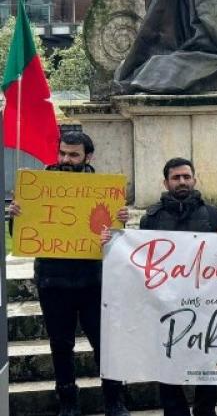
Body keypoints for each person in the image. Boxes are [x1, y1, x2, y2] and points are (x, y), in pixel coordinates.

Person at [102, 158, 217, 416]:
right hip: (165, 305)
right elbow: (141, 257)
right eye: (176, 178)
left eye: (186, 176)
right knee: (166, 363)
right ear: (166, 182)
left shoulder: (212, 214)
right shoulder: (152, 218)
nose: (182, 182)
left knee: (207, 365)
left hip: (205, 305)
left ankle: (205, 412)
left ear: (195, 179)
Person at [9, 131, 131, 416]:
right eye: (62, 153)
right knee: (60, 344)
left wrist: (120, 221)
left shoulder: (105, 191)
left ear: (88, 156)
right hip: (53, 280)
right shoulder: (38, 187)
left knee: (105, 343)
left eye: (73, 154)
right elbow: (23, 237)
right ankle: (67, 399)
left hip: (94, 280)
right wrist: (17, 216)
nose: (66, 159)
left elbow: (117, 243)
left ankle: (114, 400)